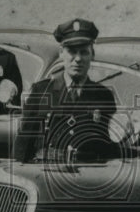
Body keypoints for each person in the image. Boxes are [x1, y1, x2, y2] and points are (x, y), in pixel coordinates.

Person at [13, 18, 118, 162]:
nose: (78, 59)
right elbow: (23, 146)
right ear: (61, 53)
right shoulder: (41, 91)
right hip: (47, 172)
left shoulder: (103, 96)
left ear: (92, 55)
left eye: (84, 52)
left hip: (88, 176)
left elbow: (108, 147)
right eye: (72, 52)